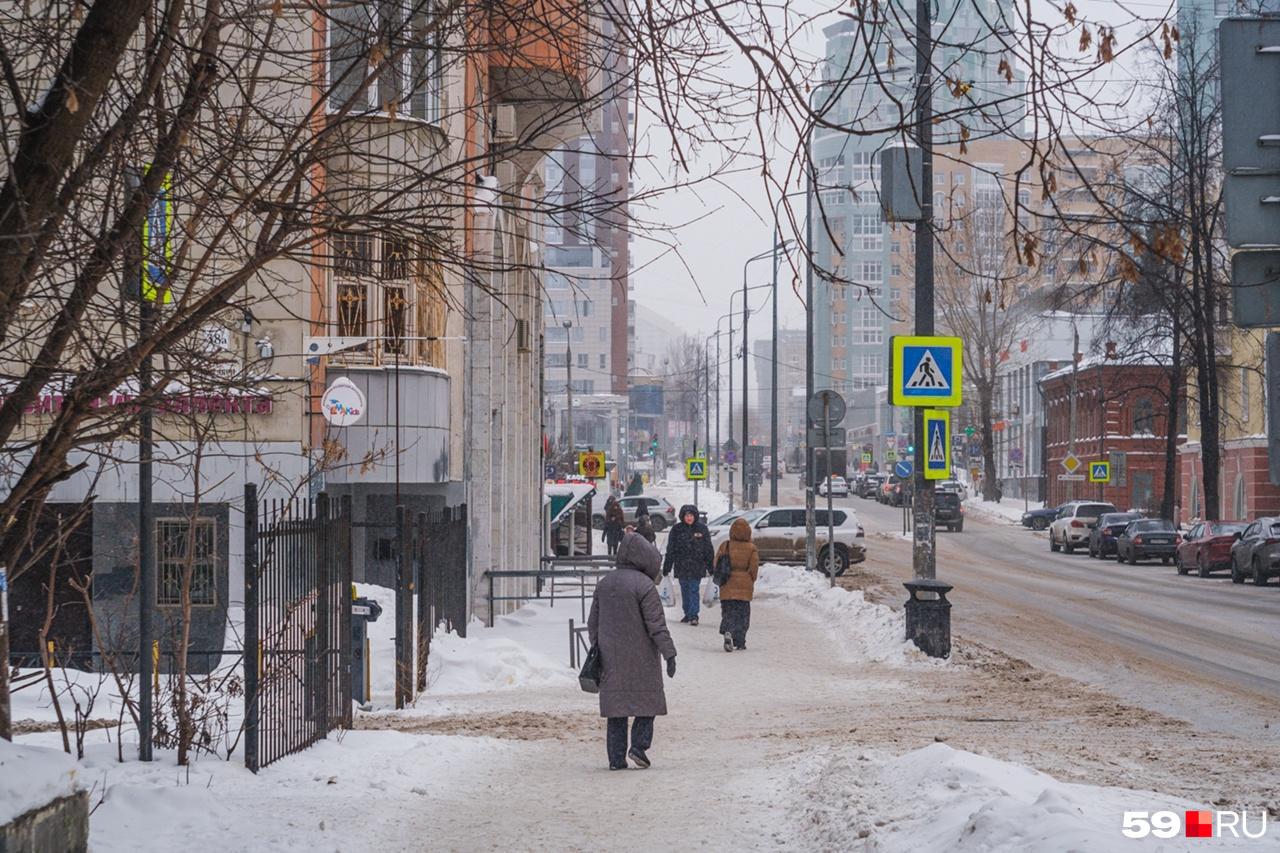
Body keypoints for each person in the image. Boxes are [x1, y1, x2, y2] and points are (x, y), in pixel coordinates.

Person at [588, 532, 677, 771]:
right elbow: (656, 625)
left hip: (610, 657)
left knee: (616, 708)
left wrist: (597, 647)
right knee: (647, 701)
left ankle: (616, 759)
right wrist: (669, 653)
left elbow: (592, 622)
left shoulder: (605, 583)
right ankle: (638, 747)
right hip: (642, 658)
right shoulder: (644, 586)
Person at [662, 504, 713, 626]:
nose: (689, 518)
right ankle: (687, 613)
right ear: (682, 517)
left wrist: (711, 566)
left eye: (691, 515)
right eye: (687, 515)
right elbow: (671, 549)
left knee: (694, 589)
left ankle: (694, 615)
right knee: (685, 590)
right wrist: (667, 567)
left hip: (697, 565)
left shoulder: (702, 529)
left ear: (695, 516)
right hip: (682, 565)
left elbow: (708, 549)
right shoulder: (677, 530)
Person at [715, 517, 760, 652]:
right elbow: (754, 568)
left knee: (728, 612)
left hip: (727, 583)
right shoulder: (751, 548)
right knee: (742, 614)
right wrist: (751, 579)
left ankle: (728, 630)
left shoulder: (725, 545)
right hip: (744, 585)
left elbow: (716, 563)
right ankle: (740, 641)